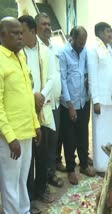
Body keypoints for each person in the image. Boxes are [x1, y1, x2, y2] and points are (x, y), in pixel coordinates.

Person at [0, 17, 41, 214]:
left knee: (23, 179)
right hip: (11, 137)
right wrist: (10, 137)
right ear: (3, 35)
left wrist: (36, 124)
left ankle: (23, 211)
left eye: (20, 33)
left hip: (27, 131)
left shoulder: (21, 57)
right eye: (14, 33)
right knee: (10, 183)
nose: (19, 37)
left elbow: (27, 94)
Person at [19, 15, 58, 209]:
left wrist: (40, 96)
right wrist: (32, 96)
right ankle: (29, 197)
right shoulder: (18, 53)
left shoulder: (46, 51)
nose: (19, 35)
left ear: (32, 32)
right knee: (28, 160)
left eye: (22, 31)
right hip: (26, 110)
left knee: (42, 155)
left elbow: (52, 77)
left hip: (43, 108)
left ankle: (41, 189)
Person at [60, 26, 95, 185]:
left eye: (84, 42)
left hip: (83, 101)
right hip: (70, 104)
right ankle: (70, 169)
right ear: (72, 38)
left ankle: (84, 165)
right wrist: (70, 105)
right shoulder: (63, 53)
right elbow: (62, 81)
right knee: (70, 138)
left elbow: (87, 70)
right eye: (80, 42)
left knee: (83, 134)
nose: (82, 45)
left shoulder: (85, 50)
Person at [35, 13, 67, 178]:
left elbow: (58, 75)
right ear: (36, 27)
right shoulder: (36, 47)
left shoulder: (56, 47)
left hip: (56, 103)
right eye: (43, 24)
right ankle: (44, 179)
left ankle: (51, 173)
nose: (47, 27)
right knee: (43, 145)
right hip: (43, 104)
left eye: (49, 24)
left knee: (54, 142)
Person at [87, 22, 112, 177]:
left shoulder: (110, 49)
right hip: (101, 99)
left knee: (110, 132)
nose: (110, 34)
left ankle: (110, 164)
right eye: (107, 31)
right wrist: (96, 100)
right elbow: (92, 77)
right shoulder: (93, 49)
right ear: (99, 32)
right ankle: (100, 166)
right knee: (100, 133)